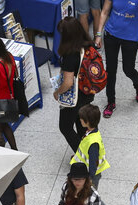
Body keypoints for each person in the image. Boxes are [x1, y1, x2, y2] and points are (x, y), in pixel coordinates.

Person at [94, 0, 138, 118]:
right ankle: (110, 102)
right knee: (110, 70)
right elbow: (104, 12)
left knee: (128, 69)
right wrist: (98, 34)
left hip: (131, 37)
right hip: (111, 35)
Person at [71, 104, 121, 205]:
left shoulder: (93, 142)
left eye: (81, 119)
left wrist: (89, 180)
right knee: (89, 197)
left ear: (87, 122)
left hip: (91, 175)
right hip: (85, 173)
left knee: (91, 198)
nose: (80, 120)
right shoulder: (91, 132)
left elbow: (92, 164)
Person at [55, 17, 95, 152]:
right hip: (87, 92)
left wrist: (57, 92)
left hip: (75, 98)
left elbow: (68, 82)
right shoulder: (88, 45)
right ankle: (91, 153)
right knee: (82, 125)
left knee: (65, 127)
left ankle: (84, 156)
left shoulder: (70, 54)